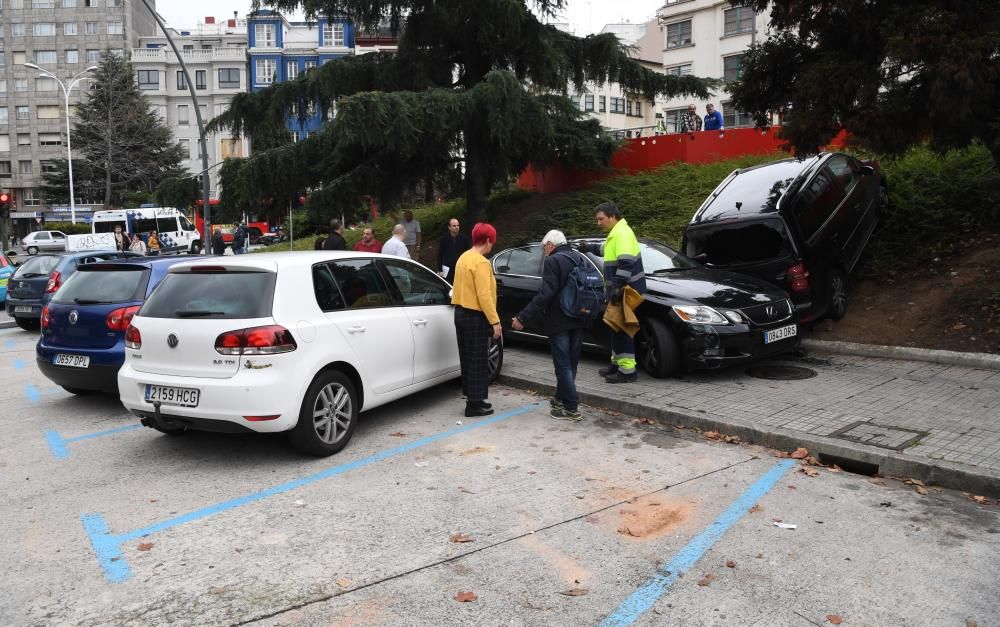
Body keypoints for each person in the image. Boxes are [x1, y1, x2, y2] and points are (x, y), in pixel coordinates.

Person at [511, 230, 588, 421]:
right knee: (571, 363)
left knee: (562, 365)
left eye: (544, 247)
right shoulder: (578, 258)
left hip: (559, 321)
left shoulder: (553, 261)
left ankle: (570, 408)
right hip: (578, 318)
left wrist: (523, 317)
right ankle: (561, 399)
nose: (544, 251)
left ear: (550, 245)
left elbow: (545, 294)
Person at [452, 223, 501, 417]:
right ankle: (475, 404)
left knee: (468, 358)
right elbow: (484, 295)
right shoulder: (481, 262)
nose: (492, 246)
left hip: (460, 313)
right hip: (475, 316)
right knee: (479, 360)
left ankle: (473, 398)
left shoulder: (463, 257)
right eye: (492, 242)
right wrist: (495, 322)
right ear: (487, 240)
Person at [594, 201, 645, 383]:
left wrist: (616, 286)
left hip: (625, 291)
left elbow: (626, 264)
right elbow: (607, 251)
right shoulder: (616, 234)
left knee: (622, 329)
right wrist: (590, 248)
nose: (598, 223)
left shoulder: (622, 234)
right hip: (621, 290)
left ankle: (627, 372)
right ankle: (616, 364)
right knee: (615, 327)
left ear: (612, 216)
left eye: (601, 219)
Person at [437, 218, 471, 283]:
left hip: (460, 269)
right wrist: (440, 270)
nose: (457, 227)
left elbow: (468, 255)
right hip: (447, 270)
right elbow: (440, 255)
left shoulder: (464, 239)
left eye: (457, 225)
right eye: (454, 226)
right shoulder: (444, 239)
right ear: (449, 227)